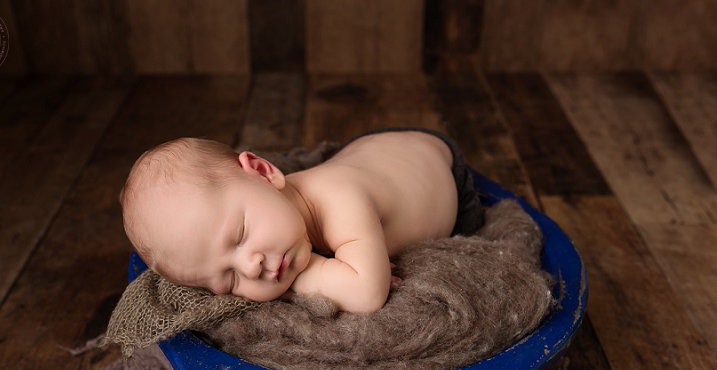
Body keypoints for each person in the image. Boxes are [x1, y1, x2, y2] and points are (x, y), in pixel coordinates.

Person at [120, 128, 484, 313]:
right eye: (228, 280)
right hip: (369, 155)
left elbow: (368, 293)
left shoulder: (341, 198)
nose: (251, 268)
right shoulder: (277, 222)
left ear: (264, 172)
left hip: (438, 168)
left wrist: (309, 273)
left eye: (240, 235)